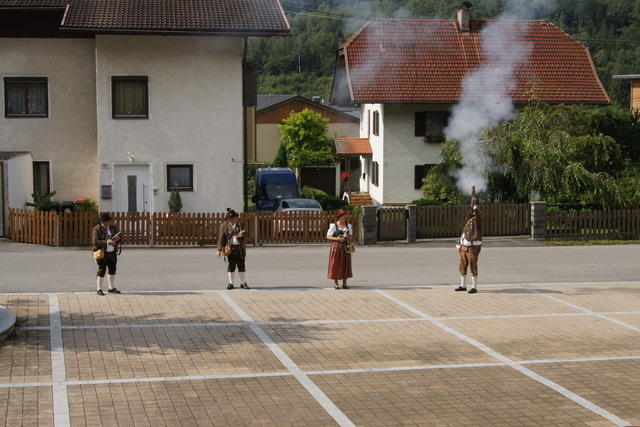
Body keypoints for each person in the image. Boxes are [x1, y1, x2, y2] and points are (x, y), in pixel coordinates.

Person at [455, 186, 482, 294]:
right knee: (462, 265)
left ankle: (474, 287)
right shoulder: (469, 221)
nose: (468, 214)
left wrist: (475, 205)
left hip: (472, 247)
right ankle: (463, 285)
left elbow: (477, 213)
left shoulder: (477, 221)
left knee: (473, 265)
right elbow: (471, 210)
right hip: (464, 247)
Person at [217, 208, 249, 290]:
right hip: (230, 249)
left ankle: (243, 283)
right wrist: (219, 249)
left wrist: (242, 236)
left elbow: (246, 236)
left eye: (234, 218)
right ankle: (231, 283)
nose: (232, 220)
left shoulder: (241, 224)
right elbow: (221, 238)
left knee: (241, 265)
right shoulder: (224, 226)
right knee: (231, 266)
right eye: (230, 218)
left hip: (240, 248)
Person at [92, 213, 122, 296]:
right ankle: (99, 288)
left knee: (112, 269)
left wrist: (117, 239)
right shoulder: (97, 228)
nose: (111, 222)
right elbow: (95, 242)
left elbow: (118, 237)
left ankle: (111, 288)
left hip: (112, 252)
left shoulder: (112, 227)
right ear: (104, 222)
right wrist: (107, 242)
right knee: (102, 270)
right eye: (109, 221)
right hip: (102, 252)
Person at [327, 209, 353, 289]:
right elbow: (328, 236)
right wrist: (337, 239)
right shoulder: (334, 226)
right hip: (336, 247)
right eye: (342, 216)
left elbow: (351, 236)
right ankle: (336, 283)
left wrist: (347, 236)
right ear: (339, 217)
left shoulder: (348, 226)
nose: (344, 217)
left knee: (345, 263)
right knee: (336, 264)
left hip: (345, 247)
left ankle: (344, 283)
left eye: (344, 216)